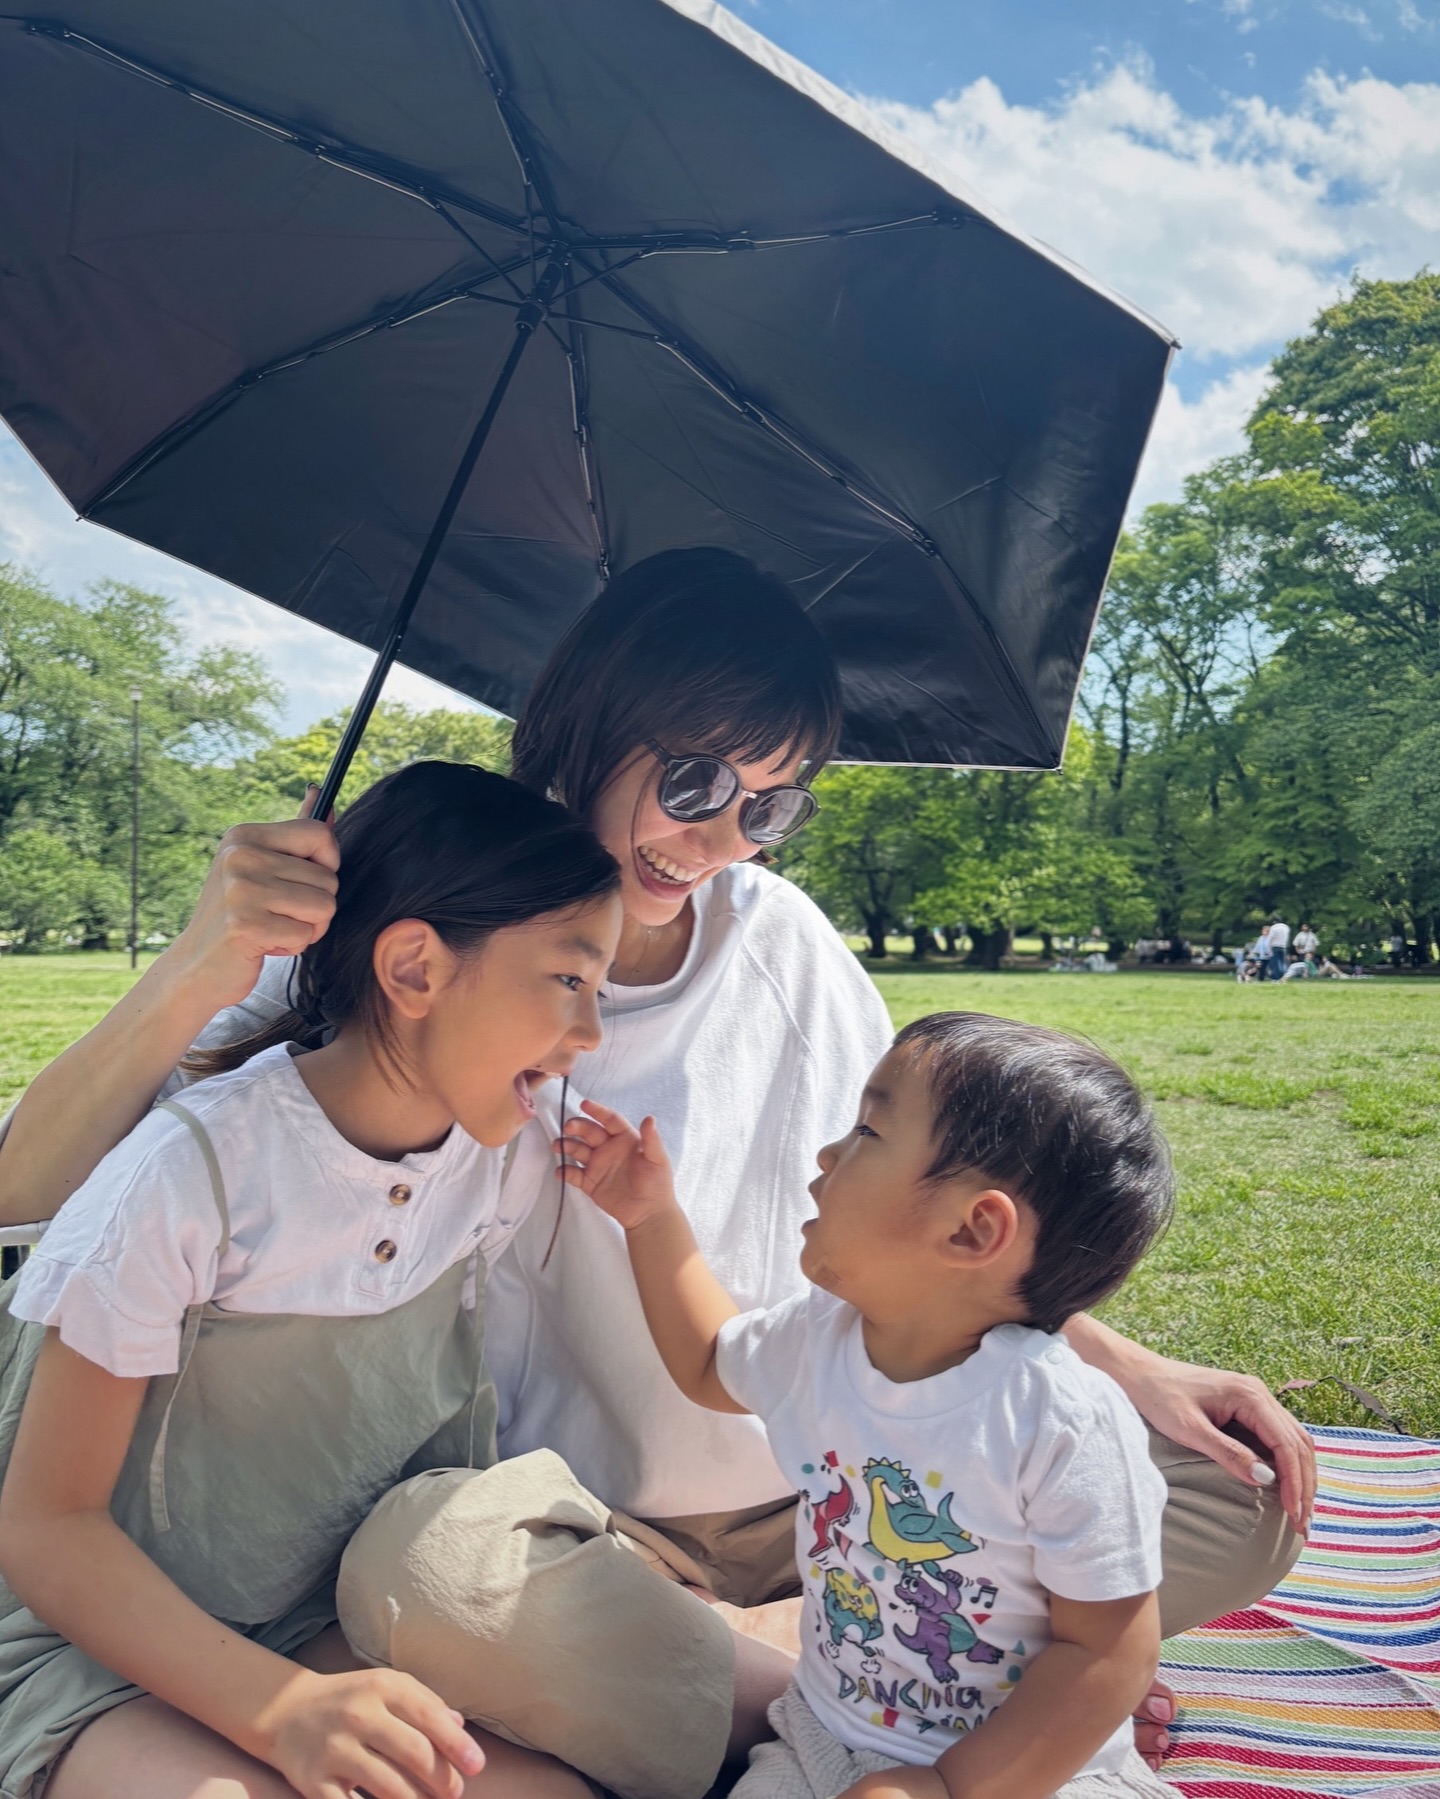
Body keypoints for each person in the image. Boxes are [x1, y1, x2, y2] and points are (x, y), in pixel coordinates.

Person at [0, 551, 1313, 1795]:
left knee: (1232, 1491)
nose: (722, 833)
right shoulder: (419, 940)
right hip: (583, 1529)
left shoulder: (780, 940)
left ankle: (831, 1662)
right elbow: (36, 1191)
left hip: (846, 1476)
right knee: (436, 1573)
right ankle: (873, 1690)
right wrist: (199, 964)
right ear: (593, 723)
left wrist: (1125, 1366)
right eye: (692, 779)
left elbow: (934, 1214)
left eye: (773, 800)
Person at [0, 763, 624, 1799]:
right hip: (97, 1653)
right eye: (570, 978)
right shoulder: (188, 1173)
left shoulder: (495, 1158)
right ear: (415, 968)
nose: (594, 1031)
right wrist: (279, 1709)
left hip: (329, 1615)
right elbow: (45, 1528)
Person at [557, 1012, 1177, 1799]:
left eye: (866, 1132)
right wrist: (650, 1217)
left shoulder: (1057, 1419)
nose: (826, 1155)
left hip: (1025, 1772)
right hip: (822, 1739)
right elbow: (710, 1361)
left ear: (973, 1228)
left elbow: (1110, 1651)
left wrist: (945, 1786)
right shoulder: (821, 1338)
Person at [1267, 917, 1290, 984]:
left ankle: (1276, 978)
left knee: (1276, 963)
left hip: (1275, 946)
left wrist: (1269, 948)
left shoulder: (1274, 927)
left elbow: (1270, 938)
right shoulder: (1286, 927)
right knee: (1283, 962)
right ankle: (1283, 977)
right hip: (1283, 946)